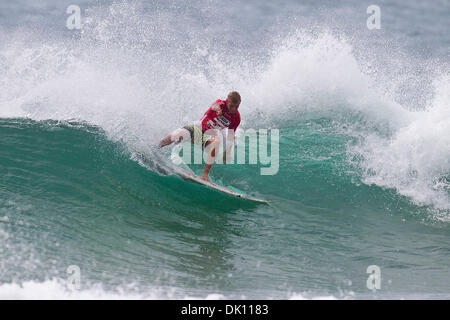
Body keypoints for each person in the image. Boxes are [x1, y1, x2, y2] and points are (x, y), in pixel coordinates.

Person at [159, 91, 241, 181]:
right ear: (227, 101)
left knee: (216, 142)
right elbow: (213, 106)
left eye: (236, 107)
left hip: (208, 137)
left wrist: (227, 152)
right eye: (231, 106)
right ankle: (157, 146)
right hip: (197, 129)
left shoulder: (236, 118)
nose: (233, 109)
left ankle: (205, 174)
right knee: (177, 135)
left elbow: (230, 135)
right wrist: (217, 109)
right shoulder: (220, 104)